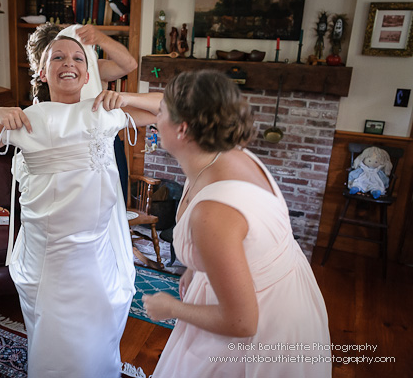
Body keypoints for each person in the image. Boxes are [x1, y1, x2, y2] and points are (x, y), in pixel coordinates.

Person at [0, 36, 158, 377]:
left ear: (88, 75)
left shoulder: (106, 112)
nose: (68, 62)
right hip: (50, 257)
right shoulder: (27, 119)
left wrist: (126, 96)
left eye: (78, 58)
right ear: (42, 72)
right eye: (57, 57)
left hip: (96, 254)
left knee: (95, 335)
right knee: (57, 339)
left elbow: (172, 108)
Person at [118, 70, 331, 377]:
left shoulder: (213, 212)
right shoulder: (224, 154)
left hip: (261, 326)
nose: (154, 118)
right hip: (276, 289)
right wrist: (194, 268)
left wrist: (171, 308)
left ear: (183, 129)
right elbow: (236, 244)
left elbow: (242, 322)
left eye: (160, 113)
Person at [26, 22, 137, 202]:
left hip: (99, 146)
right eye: (55, 57)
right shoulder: (42, 90)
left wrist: (101, 39)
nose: (66, 64)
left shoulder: (92, 69)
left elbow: (129, 65)